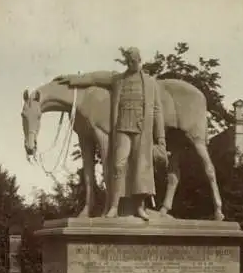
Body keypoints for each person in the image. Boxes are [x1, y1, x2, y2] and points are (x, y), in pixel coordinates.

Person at [57, 47, 167, 220]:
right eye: (129, 61)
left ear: (140, 60)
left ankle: (140, 207)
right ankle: (114, 206)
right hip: (122, 127)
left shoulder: (151, 83)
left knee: (141, 167)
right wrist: (73, 79)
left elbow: (158, 111)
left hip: (141, 129)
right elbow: (94, 78)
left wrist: (160, 139)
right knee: (118, 165)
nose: (132, 64)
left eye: (134, 61)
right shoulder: (118, 79)